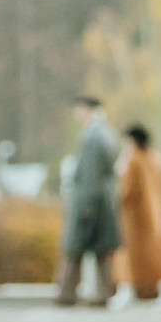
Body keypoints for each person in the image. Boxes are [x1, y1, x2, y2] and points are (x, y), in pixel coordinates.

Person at [56, 96, 121, 306]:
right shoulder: (106, 131)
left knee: (74, 249)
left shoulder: (93, 136)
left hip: (90, 200)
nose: (76, 114)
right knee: (102, 251)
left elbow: (91, 174)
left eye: (79, 109)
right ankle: (103, 294)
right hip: (102, 199)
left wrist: (87, 207)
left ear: (87, 109)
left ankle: (67, 294)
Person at [113, 124, 161, 306]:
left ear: (132, 141)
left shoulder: (132, 162)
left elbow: (128, 192)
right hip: (156, 216)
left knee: (127, 256)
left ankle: (126, 291)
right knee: (157, 254)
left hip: (134, 218)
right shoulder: (156, 159)